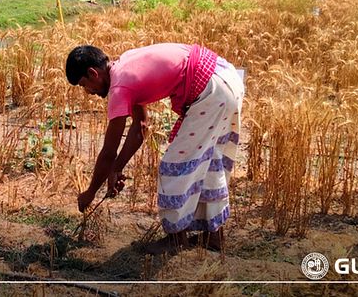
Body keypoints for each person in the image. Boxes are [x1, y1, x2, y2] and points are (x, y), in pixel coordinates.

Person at [65, 43, 244, 254]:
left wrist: (90, 192)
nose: (89, 92)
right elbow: (141, 127)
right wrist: (116, 169)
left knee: (173, 168)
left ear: (93, 73)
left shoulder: (119, 88)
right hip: (226, 78)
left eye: (84, 85)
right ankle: (214, 237)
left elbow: (108, 152)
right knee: (207, 162)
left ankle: (176, 239)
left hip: (212, 91)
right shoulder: (124, 65)